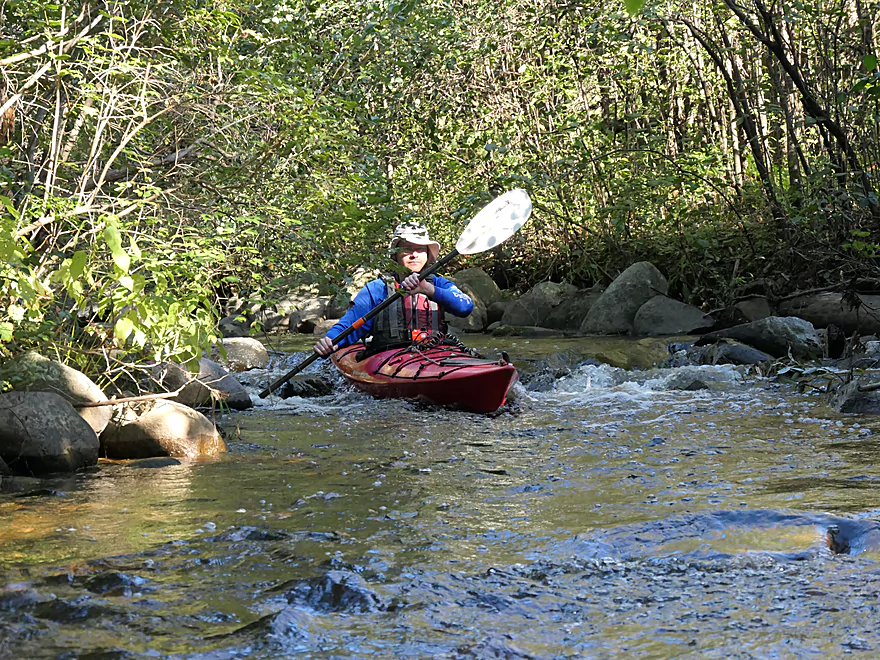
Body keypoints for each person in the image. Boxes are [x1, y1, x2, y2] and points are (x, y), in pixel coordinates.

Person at [314, 222, 474, 356]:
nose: (414, 255)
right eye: (407, 249)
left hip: (434, 354)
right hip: (389, 358)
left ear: (427, 254)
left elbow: (465, 307)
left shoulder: (439, 284)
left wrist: (428, 290)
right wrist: (330, 340)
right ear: (395, 255)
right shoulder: (377, 289)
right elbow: (349, 324)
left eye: (420, 249)